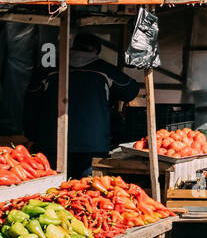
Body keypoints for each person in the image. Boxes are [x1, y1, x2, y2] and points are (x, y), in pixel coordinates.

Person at [35, 32, 141, 178]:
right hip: (92, 143)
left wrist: (31, 135)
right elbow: (131, 90)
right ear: (96, 50)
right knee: (84, 191)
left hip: (52, 141)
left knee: (53, 189)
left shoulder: (49, 68)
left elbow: (31, 103)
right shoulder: (104, 69)